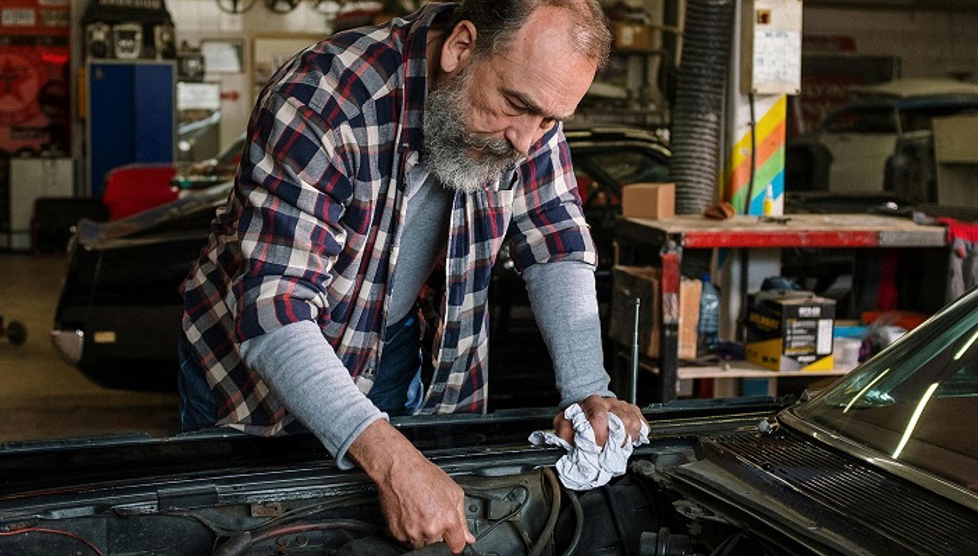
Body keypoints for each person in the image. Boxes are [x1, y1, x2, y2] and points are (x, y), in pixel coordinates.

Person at [178, 0, 647, 552]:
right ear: (461, 48)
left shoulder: (527, 115)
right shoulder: (323, 99)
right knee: (265, 536)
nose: (528, 141)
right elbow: (274, 308)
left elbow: (557, 242)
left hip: (401, 344)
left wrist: (586, 387)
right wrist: (391, 459)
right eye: (516, 106)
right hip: (258, 373)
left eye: (549, 120)